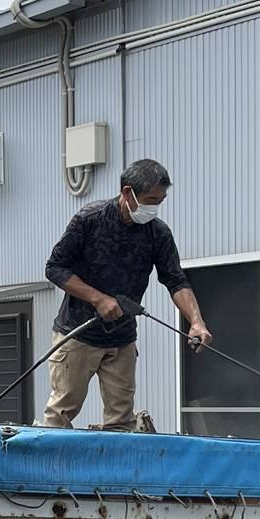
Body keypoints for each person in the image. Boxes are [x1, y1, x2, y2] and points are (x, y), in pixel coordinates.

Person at [42, 159, 211, 431]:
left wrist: (196, 321)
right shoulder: (89, 220)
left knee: (121, 421)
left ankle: (115, 471)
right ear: (126, 193)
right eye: (150, 199)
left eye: (161, 200)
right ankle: (46, 468)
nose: (154, 207)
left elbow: (175, 279)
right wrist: (98, 299)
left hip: (122, 338)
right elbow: (55, 268)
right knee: (61, 412)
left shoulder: (157, 233)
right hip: (77, 333)